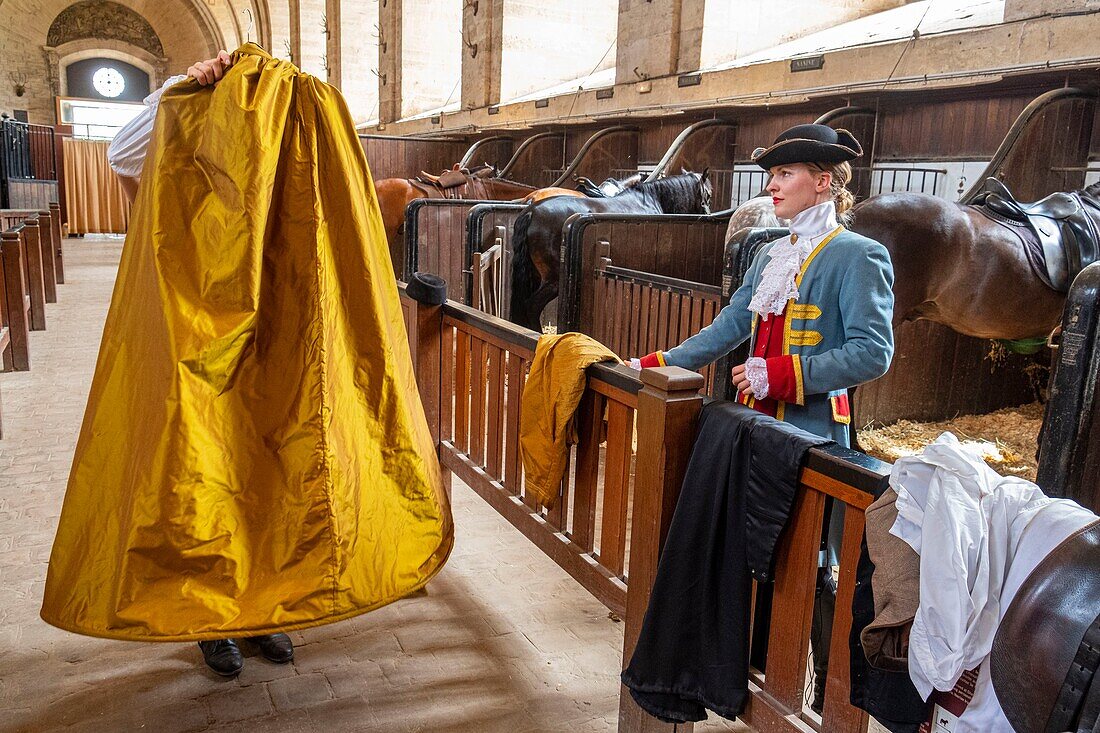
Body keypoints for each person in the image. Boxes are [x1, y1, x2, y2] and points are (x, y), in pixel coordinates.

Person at [44, 45, 453, 677]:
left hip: (285, 326)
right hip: (198, 323)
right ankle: (213, 623)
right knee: (205, 470)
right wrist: (181, 84)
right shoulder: (193, 114)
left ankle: (271, 611)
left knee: (276, 472)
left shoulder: (305, 121)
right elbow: (121, 151)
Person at [632, 123, 895, 712]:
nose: (771, 186)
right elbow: (730, 327)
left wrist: (780, 374)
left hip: (813, 437)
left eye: (784, 174)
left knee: (817, 563)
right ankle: (757, 672)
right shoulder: (774, 253)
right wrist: (654, 363)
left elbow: (873, 352)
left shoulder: (858, 255)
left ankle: (832, 696)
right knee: (758, 550)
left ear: (822, 183)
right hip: (755, 428)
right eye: (771, 175)